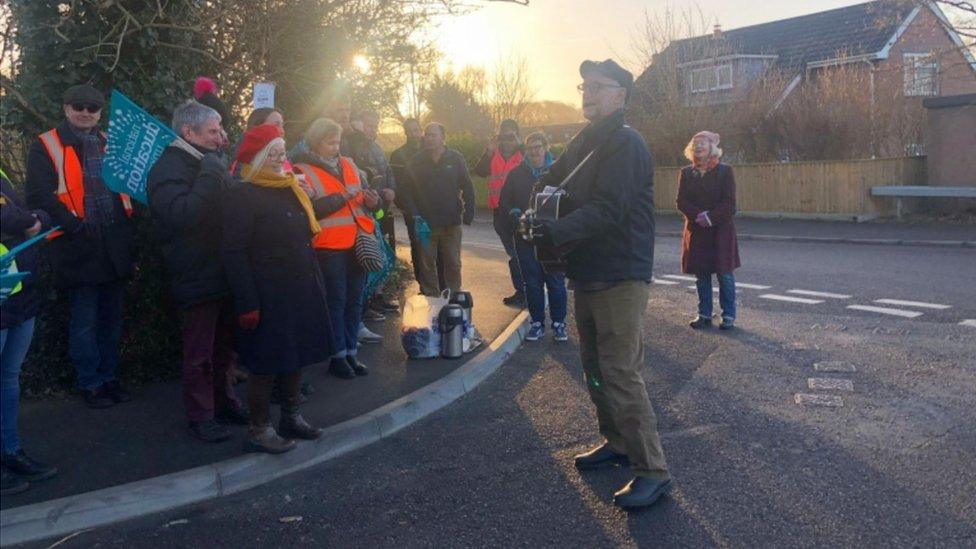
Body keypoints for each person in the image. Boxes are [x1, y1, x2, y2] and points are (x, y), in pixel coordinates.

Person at [530, 59, 670, 509]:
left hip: (620, 275)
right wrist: (530, 206)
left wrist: (557, 230)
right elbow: (551, 181)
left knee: (621, 374)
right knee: (592, 369)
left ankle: (652, 470)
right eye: (583, 86)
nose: (587, 93)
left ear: (619, 96)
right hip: (588, 273)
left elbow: (609, 208)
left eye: (596, 86)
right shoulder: (586, 140)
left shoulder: (626, 145)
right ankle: (616, 442)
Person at [25, 84, 136, 409]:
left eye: (92, 107)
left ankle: (109, 376)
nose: (85, 112)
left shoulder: (108, 144)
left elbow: (125, 190)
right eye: (79, 105)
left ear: (101, 113)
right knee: (85, 321)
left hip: (113, 245)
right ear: (66, 107)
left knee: (111, 321)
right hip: (77, 247)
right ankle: (90, 383)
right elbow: (39, 196)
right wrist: (74, 225)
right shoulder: (46, 145)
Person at [223, 123, 330, 454]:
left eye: (282, 152)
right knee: (266, 363)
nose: (280, 159)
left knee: (295, 356)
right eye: (272, 153)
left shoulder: (290, 187)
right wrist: (247, 301)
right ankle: (259, 428)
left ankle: (290, 417)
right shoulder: (243, 194)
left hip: (299, 286)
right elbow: (234, 251)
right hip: (267, 293)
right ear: (257, 157)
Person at [147, 100, 249, 443]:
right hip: (195, 273)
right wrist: (209, 174)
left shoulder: (211, 162)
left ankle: (225, 402)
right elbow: (182, 215)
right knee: (200, 353)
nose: (221, 136)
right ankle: (201, 415)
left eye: (220, 129)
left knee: (224, 348)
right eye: (213, 130)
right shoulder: (169, 167)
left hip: (222, 269)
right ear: (188, 132)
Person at [292, 118, 380, 379]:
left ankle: (351, 352)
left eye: (338, 142)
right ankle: (337, 356)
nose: (336, 147)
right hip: (329, 246)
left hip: (358, 242)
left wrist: (374, 202)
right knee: (336, 302)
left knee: (355, 300)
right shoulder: (301, 170)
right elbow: (307, 212)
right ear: (315, 143)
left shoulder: (349, 164)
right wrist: (339, 199)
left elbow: (363, 201)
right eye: (330, 143)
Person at [1, 171, 57, 495]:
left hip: (16, 292)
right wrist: (28, 219)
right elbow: (10, 216)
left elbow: (32, 212)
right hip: (4, 295)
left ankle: (10, 450)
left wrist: (33, 217)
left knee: (9, 379)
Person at [498, 132, 568, 342]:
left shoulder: (559, 172)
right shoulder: (515, 174)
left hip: (552, 237)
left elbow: (571, 201)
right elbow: (505, 202)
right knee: (532, 281)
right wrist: (514, 215)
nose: (534, 151)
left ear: (546, 147)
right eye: (530, 148)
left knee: (555, 281)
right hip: (524, 236)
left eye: (538, 147)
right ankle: (536, 323)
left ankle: (559, 324)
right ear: (525, 151)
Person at [677, 131, 740, 330]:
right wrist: (698, 216)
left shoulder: (725, 171)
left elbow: (730, 203)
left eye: (702, 143)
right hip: (697, 230)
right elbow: (681, 201)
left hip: (720, 230)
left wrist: (710, 217)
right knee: (701, 275)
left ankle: (728, 315)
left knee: (725, 274)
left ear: (712, 147)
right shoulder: (686, 173)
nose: (698, 146)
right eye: (695, 143)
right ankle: (704, 314)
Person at [403, 123, 475, 296]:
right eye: (427, 135)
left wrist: (469, 212)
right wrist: (415, 214)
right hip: (425, 225)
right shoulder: (416, 161)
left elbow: (467, 185)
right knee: (427, 264)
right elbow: (405, 190)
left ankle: (453, 297)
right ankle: (431, 299)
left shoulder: (455, 158)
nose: (428, 138)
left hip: (451, 223)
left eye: (433, 135)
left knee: (453, 263)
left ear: (443, 138)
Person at [475, 119, 525, 307]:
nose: (506, 141)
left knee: (521, 253)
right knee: (513, 254)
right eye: (503, 136)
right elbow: (479, 171)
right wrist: (488, 152)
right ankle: (521, 290)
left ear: (517, 137)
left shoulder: (524, 153)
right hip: (499, 213)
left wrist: (521, 145)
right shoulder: (493, 155)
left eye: (510, 136)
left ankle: (527, 290)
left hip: (518, 212)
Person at [389, 118, 425, 281]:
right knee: (418, 245)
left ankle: (437, 282)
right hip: (411, 209)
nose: (413, 134)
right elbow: (394, 183)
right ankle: (422, 282)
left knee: (434, 246)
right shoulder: (398, 155)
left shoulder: (430, 149)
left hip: (432, 208)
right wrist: (403, 206)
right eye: (409, 131)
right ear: (405, 132)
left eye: (416, 130)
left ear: (421, 130)